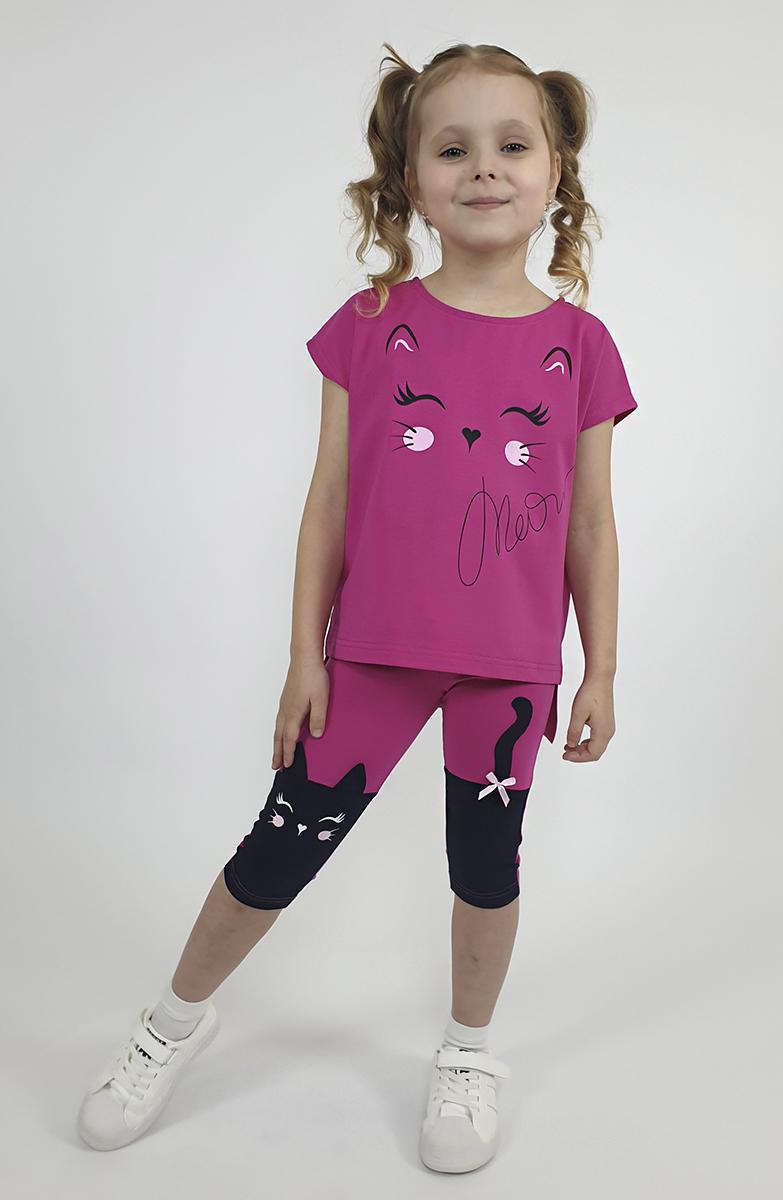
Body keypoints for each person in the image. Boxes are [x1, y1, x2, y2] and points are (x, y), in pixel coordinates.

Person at [77, 40, 639, 1175]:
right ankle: (172, 1023)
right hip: (373, 653)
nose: (485, 168)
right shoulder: (373, 321)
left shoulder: (581, 346)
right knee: (276, 851)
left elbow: (590, 523)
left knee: (487, 870)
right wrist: (304, 654)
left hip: (509, 667)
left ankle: (469, 1052)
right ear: (411, 180)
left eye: (512, 145)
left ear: (556, 173)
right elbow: (328, 498)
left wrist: (603, 668)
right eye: (453, 149)